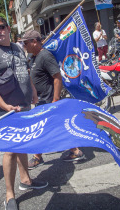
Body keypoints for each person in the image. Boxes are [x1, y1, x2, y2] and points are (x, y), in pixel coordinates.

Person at [0, 17, 48, 210]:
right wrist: (4, 105)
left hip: (24, 105)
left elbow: (24, 70)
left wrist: (32, 91)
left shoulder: (17, 48)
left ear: (8, 28)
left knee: (22, 144)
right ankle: (9, 195)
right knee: (10, 150)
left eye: (1, 27)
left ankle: (25, 180)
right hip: (6, 110)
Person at [20, 30, 86, 170]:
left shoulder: (45, 56)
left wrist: (55, 99)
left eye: (26, 43)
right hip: (40, 100)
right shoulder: (34, 57)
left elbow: (57, 77)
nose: (24, 46)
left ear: (35, 41)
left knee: (41, 128)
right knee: (57, 126)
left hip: (48, 100)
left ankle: (38, 157)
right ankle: (75, 150)